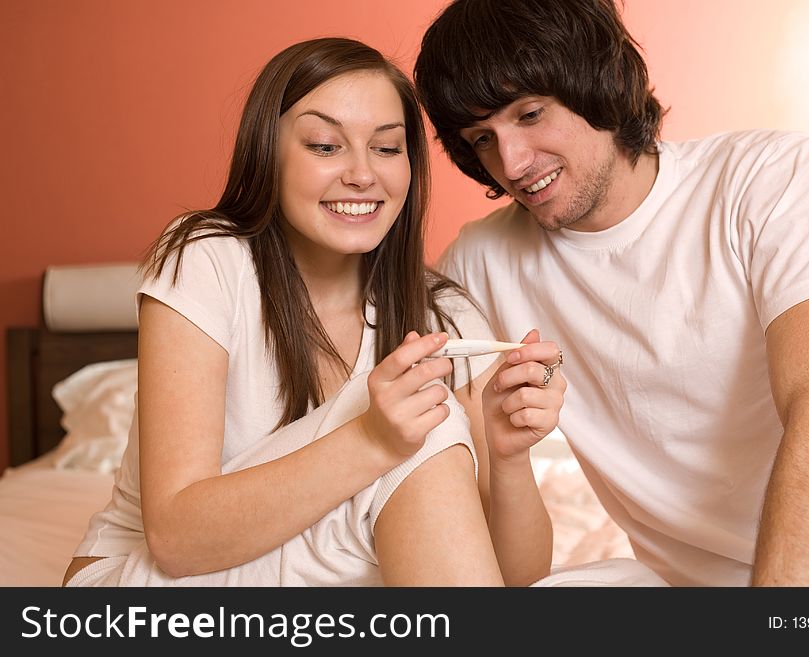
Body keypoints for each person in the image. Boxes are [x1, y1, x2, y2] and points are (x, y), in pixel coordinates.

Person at [61, 37, 565, 587]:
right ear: (267, 154)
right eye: (325, 146)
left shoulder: (443, 314)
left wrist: (509, 459)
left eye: (387, 148)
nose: (362, 174)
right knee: (426, 420)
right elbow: (177, 543)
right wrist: (375, 440)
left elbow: (517, 580)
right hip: (141, 588)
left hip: (310, 577)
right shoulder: (207, 260)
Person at [414, 0, 809, 587]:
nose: (511, 162)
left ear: (596, 81)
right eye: (482, 138)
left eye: (529, 114)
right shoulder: (481, 262)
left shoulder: (771, 178)